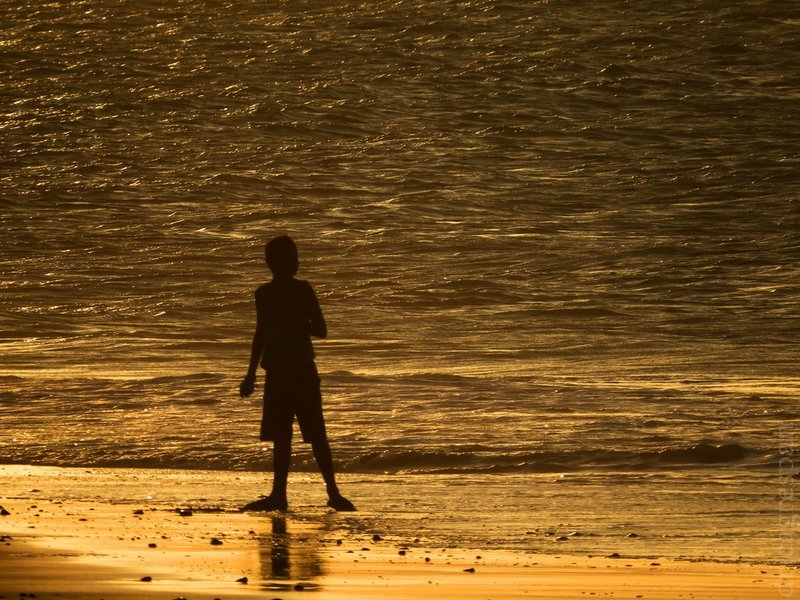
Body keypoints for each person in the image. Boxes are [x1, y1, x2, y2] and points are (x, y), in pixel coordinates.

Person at [239, 235, 355, 512]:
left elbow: (321, 330)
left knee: (317, 434)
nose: (296, 262)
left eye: (296, 256)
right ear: (272, 262)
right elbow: (260, 334)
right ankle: (278, 495)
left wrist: (298, 327)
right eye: (290, 257)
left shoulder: (304, 289)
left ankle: (334, 493)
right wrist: (250, 374)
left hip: (303, 369)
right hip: (276, 371)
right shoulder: (263, 294)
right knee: (281, 437)